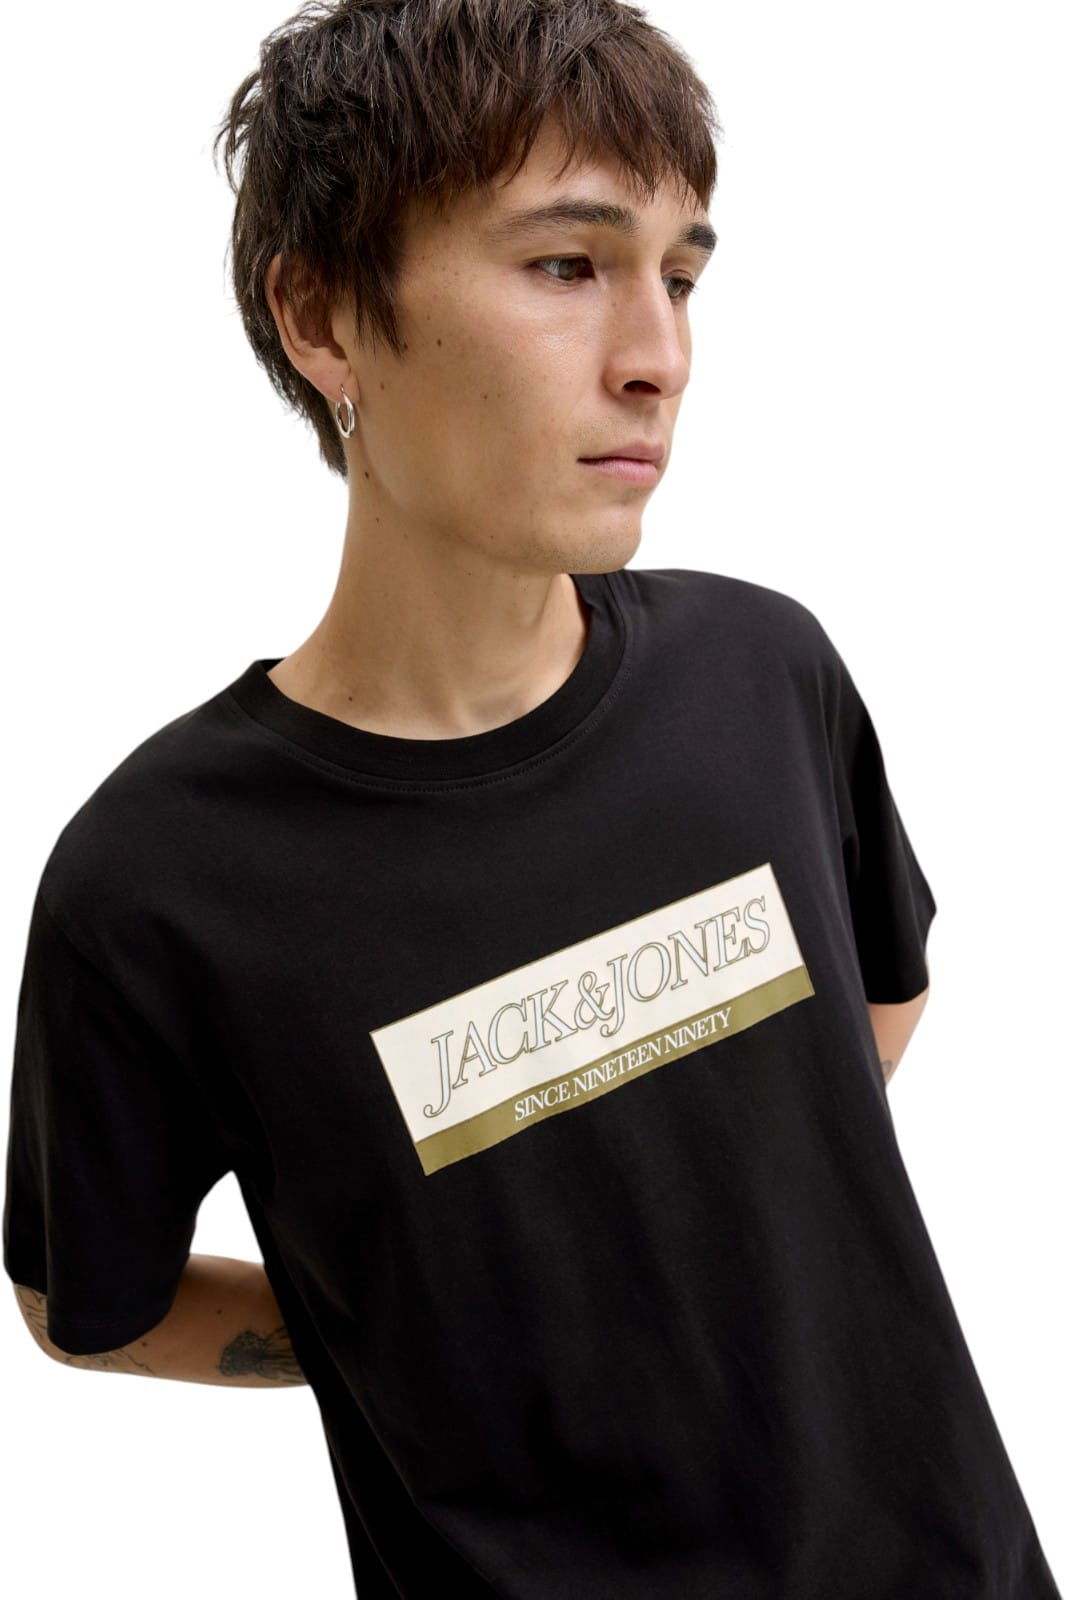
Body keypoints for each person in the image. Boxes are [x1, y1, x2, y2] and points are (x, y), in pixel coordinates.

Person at [3, 0, 1061, 1594]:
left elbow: (878, 1007)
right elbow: (90, 1306)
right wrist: (409, 1314)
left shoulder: (760, 676)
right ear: (322, 316)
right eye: (567, 265)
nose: (657, 358)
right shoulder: (161, 884)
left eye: (680, 276)